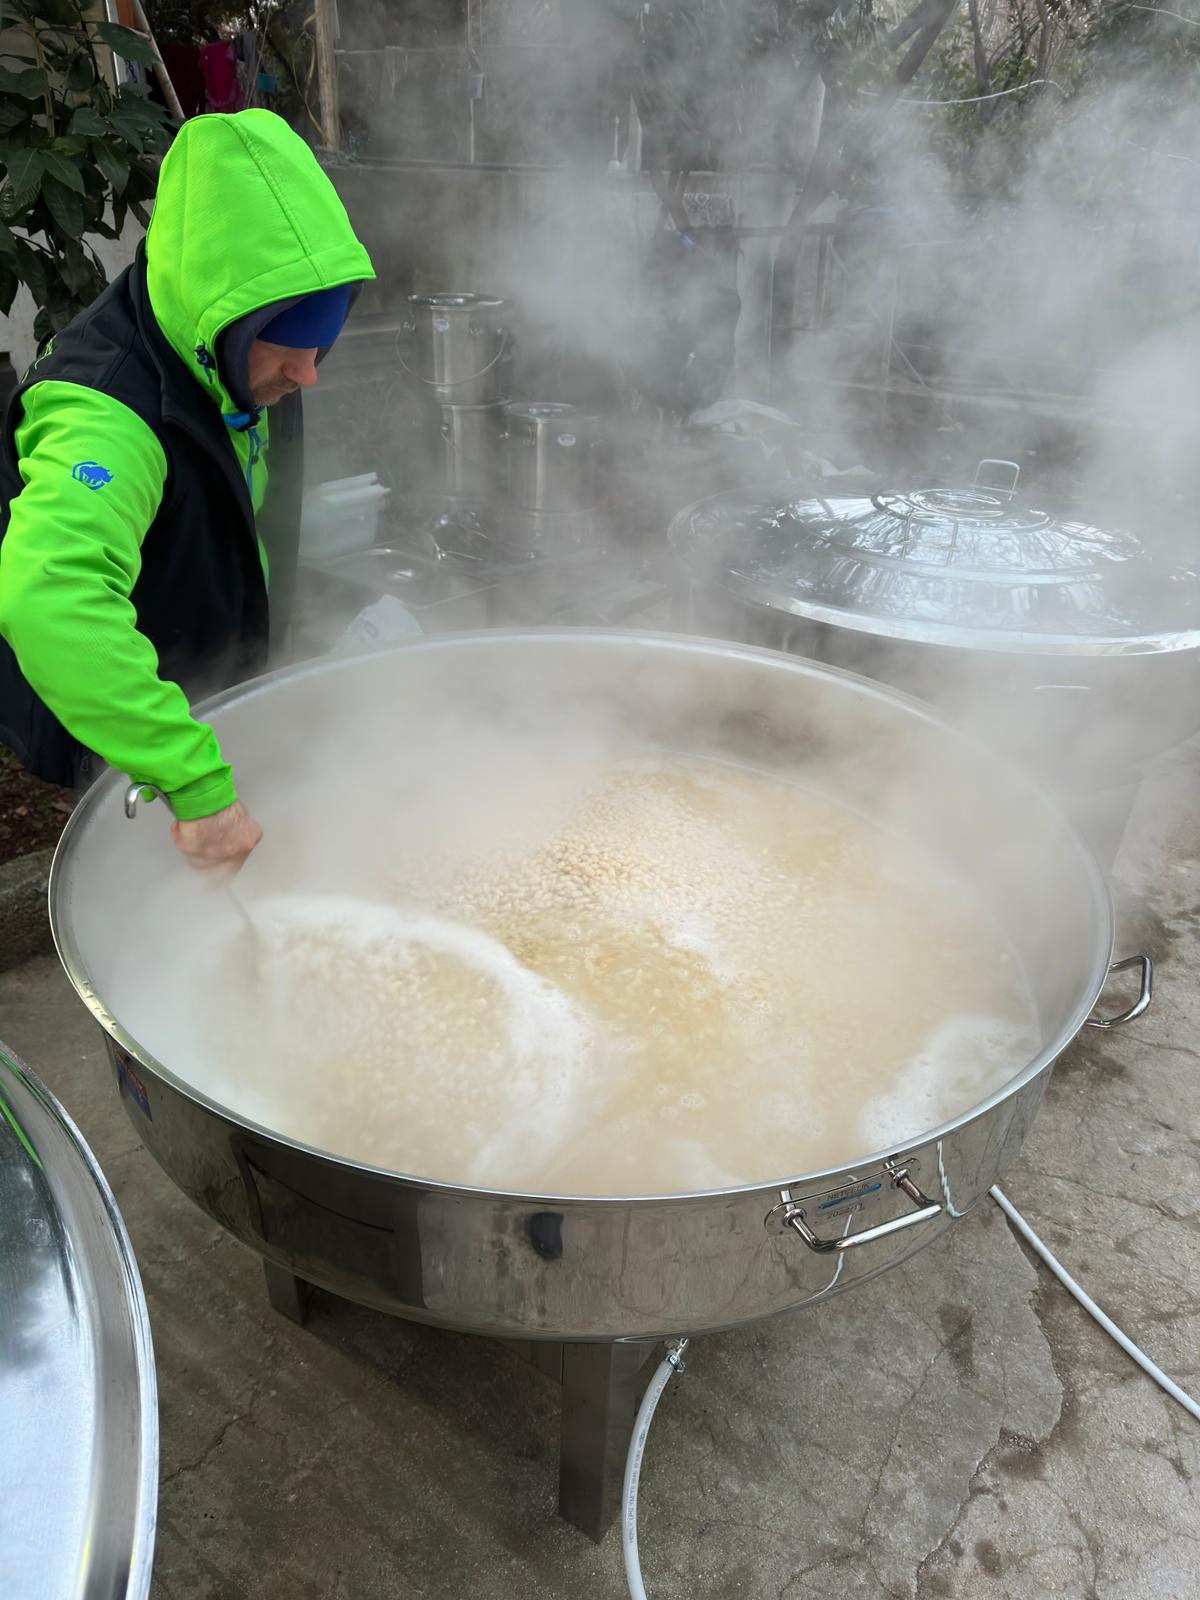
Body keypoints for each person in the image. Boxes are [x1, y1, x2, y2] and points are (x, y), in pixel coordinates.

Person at [0, 110, 374, 873]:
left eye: (322, 345)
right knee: (153, 874)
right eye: (289, 348)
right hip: (126, 707)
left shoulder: (226, 351)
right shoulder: (104, 415)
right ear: (220, 320)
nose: (308, 375)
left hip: (205, 675)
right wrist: (193, 782)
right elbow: (50, 598)